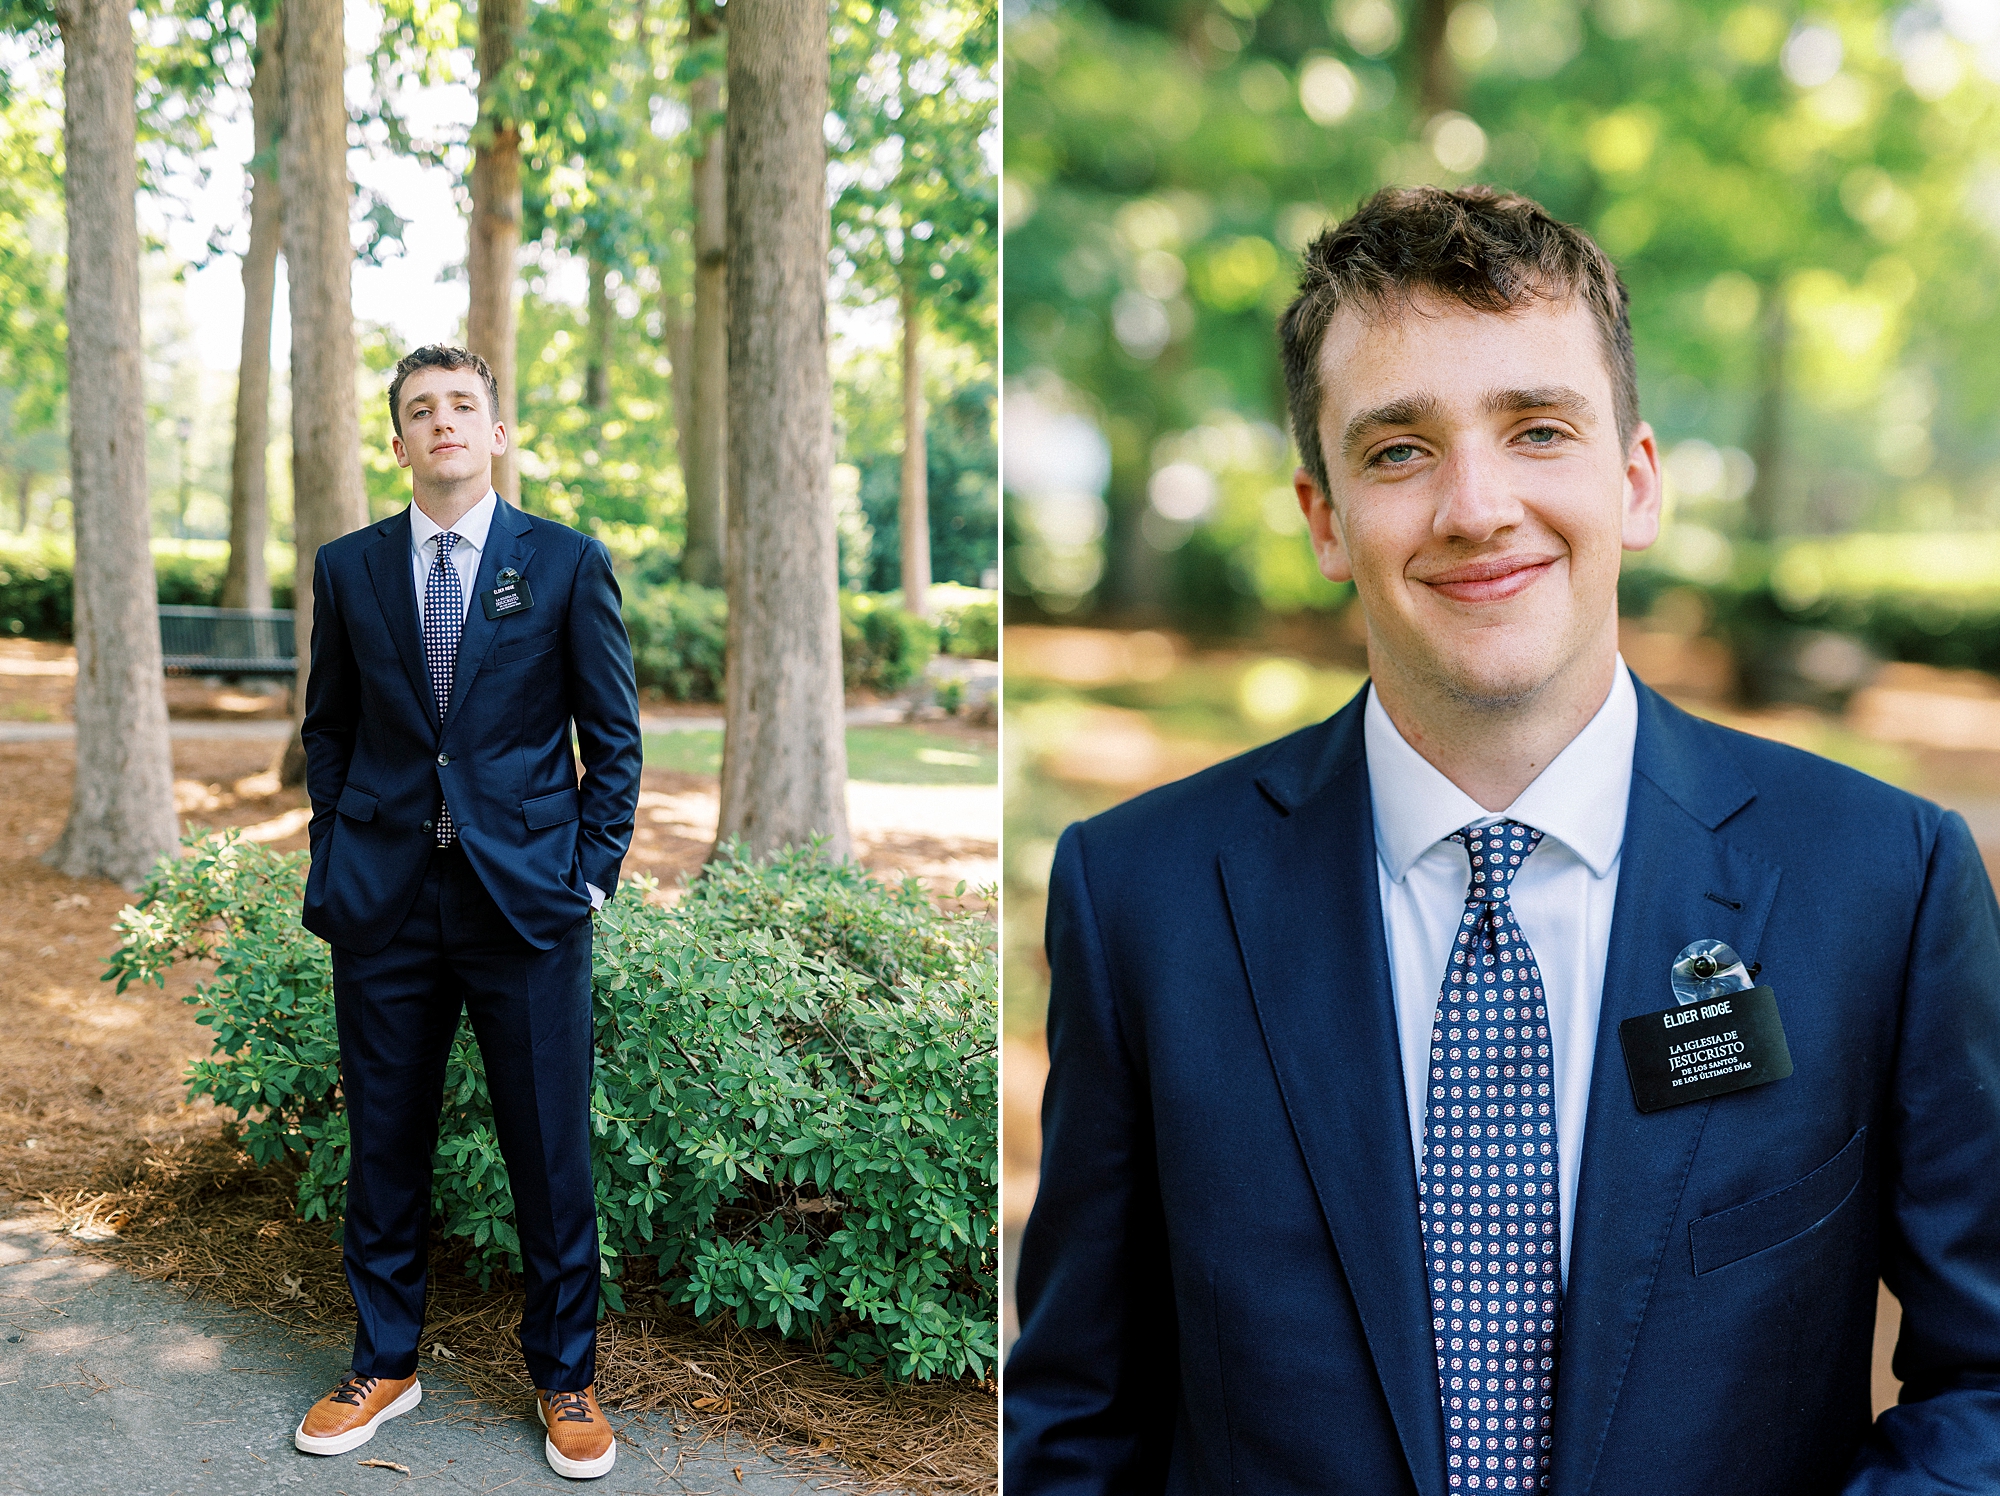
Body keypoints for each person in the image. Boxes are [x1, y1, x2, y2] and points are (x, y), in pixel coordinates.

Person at [1003, 187, 2000, 1494]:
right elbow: (1076, 1413)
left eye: (1538, 429)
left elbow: (1982, 1380)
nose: (1477, 506)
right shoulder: (1141, 898)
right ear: (1323, 517)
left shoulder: (1885, 883)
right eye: (1400, 450)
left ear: (1634, 481)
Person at [292, 345, 642, 1481]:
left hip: (526, 906)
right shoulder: (347, 570)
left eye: (462, 406)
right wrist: (335, 845)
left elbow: (614, 741)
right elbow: (330, 729)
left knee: (549, 1151)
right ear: (396, 442)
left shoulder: (568, 562)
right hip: (385, 902)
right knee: (383, 1141)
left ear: (496, 432)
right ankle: (383, 1360)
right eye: (418, 410)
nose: (441, 422)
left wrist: (585, 876)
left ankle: (567, 1374)